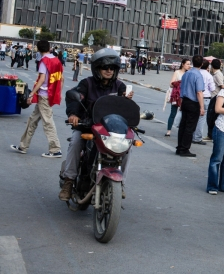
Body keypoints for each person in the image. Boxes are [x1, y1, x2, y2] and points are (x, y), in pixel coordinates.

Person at [58, 48, 134, 201]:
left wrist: (127, 101)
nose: (108, 70)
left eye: (112, 68)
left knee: (127, 148)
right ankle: (69, 180)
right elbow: (75, 99)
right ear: (97, 68)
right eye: (105, 67)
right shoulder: (86, 84)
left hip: (110, 131)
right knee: (75, 142)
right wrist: (73, 114)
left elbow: (124, 110)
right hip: (87, 126)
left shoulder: (120, 87)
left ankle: (120, 183)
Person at [10, 40, 64, 157]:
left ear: (38, 49)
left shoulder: (44, 61)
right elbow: (61, 78)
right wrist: (58, 93)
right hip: (48, 94)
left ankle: (55, 149)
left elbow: (41, 79)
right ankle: (23, 146)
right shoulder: (56, 61)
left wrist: (31, 93)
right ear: (49, 48)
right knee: (32, 120)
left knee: (47, 122)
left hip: (44, 95)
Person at [176, 55, 205, 157]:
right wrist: (202, 107)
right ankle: (185, 148)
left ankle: (180, 147)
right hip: (193, 103)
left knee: (183, 126)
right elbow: (199, 92)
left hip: (185, 101)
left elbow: (181, 89)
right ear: (201, 64)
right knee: (190, 127)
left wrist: (181, 102)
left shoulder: (186, 74)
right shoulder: (198, 75)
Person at [165, 58, 191, 137]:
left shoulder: (189, 73)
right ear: (183, 64)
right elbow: (171, 84)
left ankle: (182, 131)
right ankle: (168, 130)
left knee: (184, 115)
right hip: (176, 95)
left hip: (185, 96)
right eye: (187, 64)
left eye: (190, 64)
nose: (189, 66)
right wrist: (179, 83)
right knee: (173, 113)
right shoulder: (177, 72)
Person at [192, 60, 215, 144]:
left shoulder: (195, 73)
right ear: (207, 67)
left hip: (195, 97)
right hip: (205, 97)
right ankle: (197, 137)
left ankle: (191, 135)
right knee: (201, 119)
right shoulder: (208, 76)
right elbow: (212, 89)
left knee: (194, 117)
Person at [203, 58, 224, 140]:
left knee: (211, 117)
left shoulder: (217, 75)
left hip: (215, 97)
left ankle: (210, 135)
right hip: (214, 97)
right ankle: (210, 135)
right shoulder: (217, 74)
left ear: (212, 66)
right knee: (211, 117)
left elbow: (222, 86)